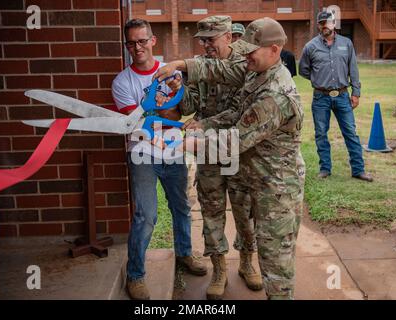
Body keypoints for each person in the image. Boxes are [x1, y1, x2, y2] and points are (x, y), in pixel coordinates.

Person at [155, 17, 305, 300]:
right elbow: (226, 87)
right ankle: (223, 269)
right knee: (270, 253)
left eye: (252, 50)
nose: (245, 55)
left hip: (276, 190)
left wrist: (186, 142)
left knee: (276, 265)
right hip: (260, 179)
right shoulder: (256, 72)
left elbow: (235, 140)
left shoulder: (274, 94)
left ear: (274, 50)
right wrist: (182, 68)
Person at [111, 18, 207, 300]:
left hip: (174, 150)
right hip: (142, 153)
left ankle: (185, 254)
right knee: (146, 215)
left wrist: (163, 114)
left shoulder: (169, 71)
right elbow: (139, 123)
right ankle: (136, 274)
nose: (137, 47)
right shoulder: (122, 82)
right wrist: (163, 113)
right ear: (127, 45)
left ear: (153, 41)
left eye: (142, 41)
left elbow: (179, 113)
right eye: (131, 43)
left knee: (181, 206)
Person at [167, 15, 262, 300]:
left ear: (228, 37)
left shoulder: (246, 65)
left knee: (244, 209)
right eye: (202, 40)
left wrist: (204, 124)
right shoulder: (200, 67)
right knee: (211, 207)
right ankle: (219, 268)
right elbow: (190, 106)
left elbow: (239, 110)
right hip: (208, 150)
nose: (206, 45)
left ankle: (247, 262)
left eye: (211, 39)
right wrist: (179, 90)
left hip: (236, 146)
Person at [299, 10, 373, 182]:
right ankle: (325, 169)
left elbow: (353, 70)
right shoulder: (310, 46)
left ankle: (358, 170)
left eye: (328, 22)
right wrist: (318, 78)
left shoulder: (346, 44)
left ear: (334, 24)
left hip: (342, 96)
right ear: (318, 25)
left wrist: (356, 92)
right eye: (322, 23)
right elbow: (303, 69)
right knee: (321, 134)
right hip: (320, 97)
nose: (325, 25)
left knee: (350, 132)